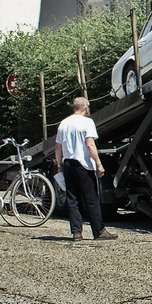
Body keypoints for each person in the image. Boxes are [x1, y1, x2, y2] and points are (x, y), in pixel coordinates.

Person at [55, 97, 116, 241]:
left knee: (72, 198)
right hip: (83, 164)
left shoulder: (64, 123)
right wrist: (98, 163)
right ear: (85, 107)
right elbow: (89, 144)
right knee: (91, 199)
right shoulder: (87, 122)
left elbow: (58, 147)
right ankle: (99, 231)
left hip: (68, 163)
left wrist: (59, 166)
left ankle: (76, 232)